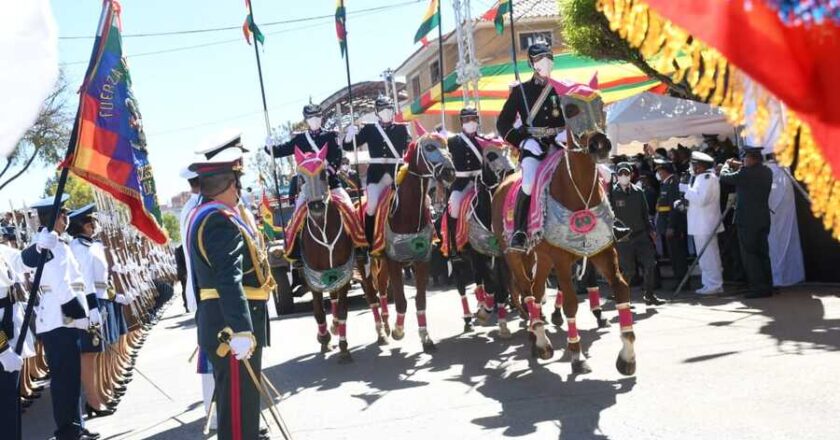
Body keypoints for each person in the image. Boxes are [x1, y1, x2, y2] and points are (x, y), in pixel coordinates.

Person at [187, 145, 273, 440]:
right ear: (227, 184)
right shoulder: (219, 220)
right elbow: (228, 278)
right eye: (237, 181)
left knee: (242, 413)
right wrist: (241, 329)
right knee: (239, 418)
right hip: (229, 325)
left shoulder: (211, 214)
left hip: (225, 321)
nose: (239, 188)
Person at [20, 195, 100, 440]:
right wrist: (78, 314)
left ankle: (75, 425)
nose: (67, 219)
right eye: (63, 215)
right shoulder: (46, 243)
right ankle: (67, 431)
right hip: (58, 318)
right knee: (64, 379)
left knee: (71, 376)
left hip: (66, 318)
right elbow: (59, 284)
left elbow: (77, 282)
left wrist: (85, 312)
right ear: (51, 218)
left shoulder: (60, 242)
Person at [496, 42, 566, 251]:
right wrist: (523, 141)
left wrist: (568, 132)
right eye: (538, 58)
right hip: (534, 147)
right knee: (527, 182)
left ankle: (607, 221)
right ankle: (519, 230)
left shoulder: (563, 87)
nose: (545, 61)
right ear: (531, 64)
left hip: (562, 144)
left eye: (548, 56)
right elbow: (503, 123)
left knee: (595, 170)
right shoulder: (521, 92)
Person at [67, 204, 118, 418]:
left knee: (97, 354)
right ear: (82, 226)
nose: (94, 225)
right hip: (91, 303)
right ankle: (93, 401)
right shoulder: (79, 247)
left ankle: (99, 394)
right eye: (90, 222)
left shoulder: (91, 245)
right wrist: (92, 308)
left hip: (101, 299)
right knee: (89, 354)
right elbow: (85, 281)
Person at [343, 95, 411, 247]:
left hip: (397, 172)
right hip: (376, 174)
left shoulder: (402, 128)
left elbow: (410, 149)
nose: (386, 112)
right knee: (372, 203)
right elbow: (349, 147)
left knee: (421, 200)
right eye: (382, 109)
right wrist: (349, 136)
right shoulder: (369, 129)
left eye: (388, 109)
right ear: (377, 112)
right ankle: (369, 240)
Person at [719, 147, 774, 298]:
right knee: (763, 254)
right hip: (763, 218)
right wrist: (739, 165)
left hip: (748, 221)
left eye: (745, 159)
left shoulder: (745, 173)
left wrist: (725, 166)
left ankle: (757, 288)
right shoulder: (766, 171)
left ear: (750, 158)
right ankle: (767, 286)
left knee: (750, 255)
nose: (743, 161)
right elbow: (746, 173)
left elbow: (724, 177)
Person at [609, 163, 664, 305]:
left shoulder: (638, 191)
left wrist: (651, 230)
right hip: (623, 238)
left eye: (626, 174)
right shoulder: (612, 193)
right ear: (616, 175)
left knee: (650, 264)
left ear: (631, 175)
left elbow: (645, 213)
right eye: (620, 174)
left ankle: (649, 294)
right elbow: (608, 216)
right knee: (628, 270)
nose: (623, 176)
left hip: (641, 234)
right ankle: (622, 296)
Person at [681, 151, 724, 295]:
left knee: (710, 256)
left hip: (705, 224)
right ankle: (708, 284)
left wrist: (686, 189)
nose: (691, 168)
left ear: (700, 166)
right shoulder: (700, 178)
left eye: (693, 165)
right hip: (699, 224)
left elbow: (702, 200)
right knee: (704, 257)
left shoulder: (708, 178)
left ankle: (715, 285)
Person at [445, 107, 484, 262]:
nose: (471, 122)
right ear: (461, 122)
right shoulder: (452, 141)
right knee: (453, 206)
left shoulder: (484, 140)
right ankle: (455, 245)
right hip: (460, 183)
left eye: (473, 119)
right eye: (467, 120)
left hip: (480, 182)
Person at [654, 158, 689, 285]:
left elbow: (675, 208)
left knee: (678, 255)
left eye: (660, 171)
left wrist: (671, 226)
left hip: (673, 226)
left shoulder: (673, 183)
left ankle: (682, 282)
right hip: (666, 225)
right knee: (673, 255)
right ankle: (678, 279)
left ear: (665, 171)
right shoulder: (666, 184)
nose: (659, 174)